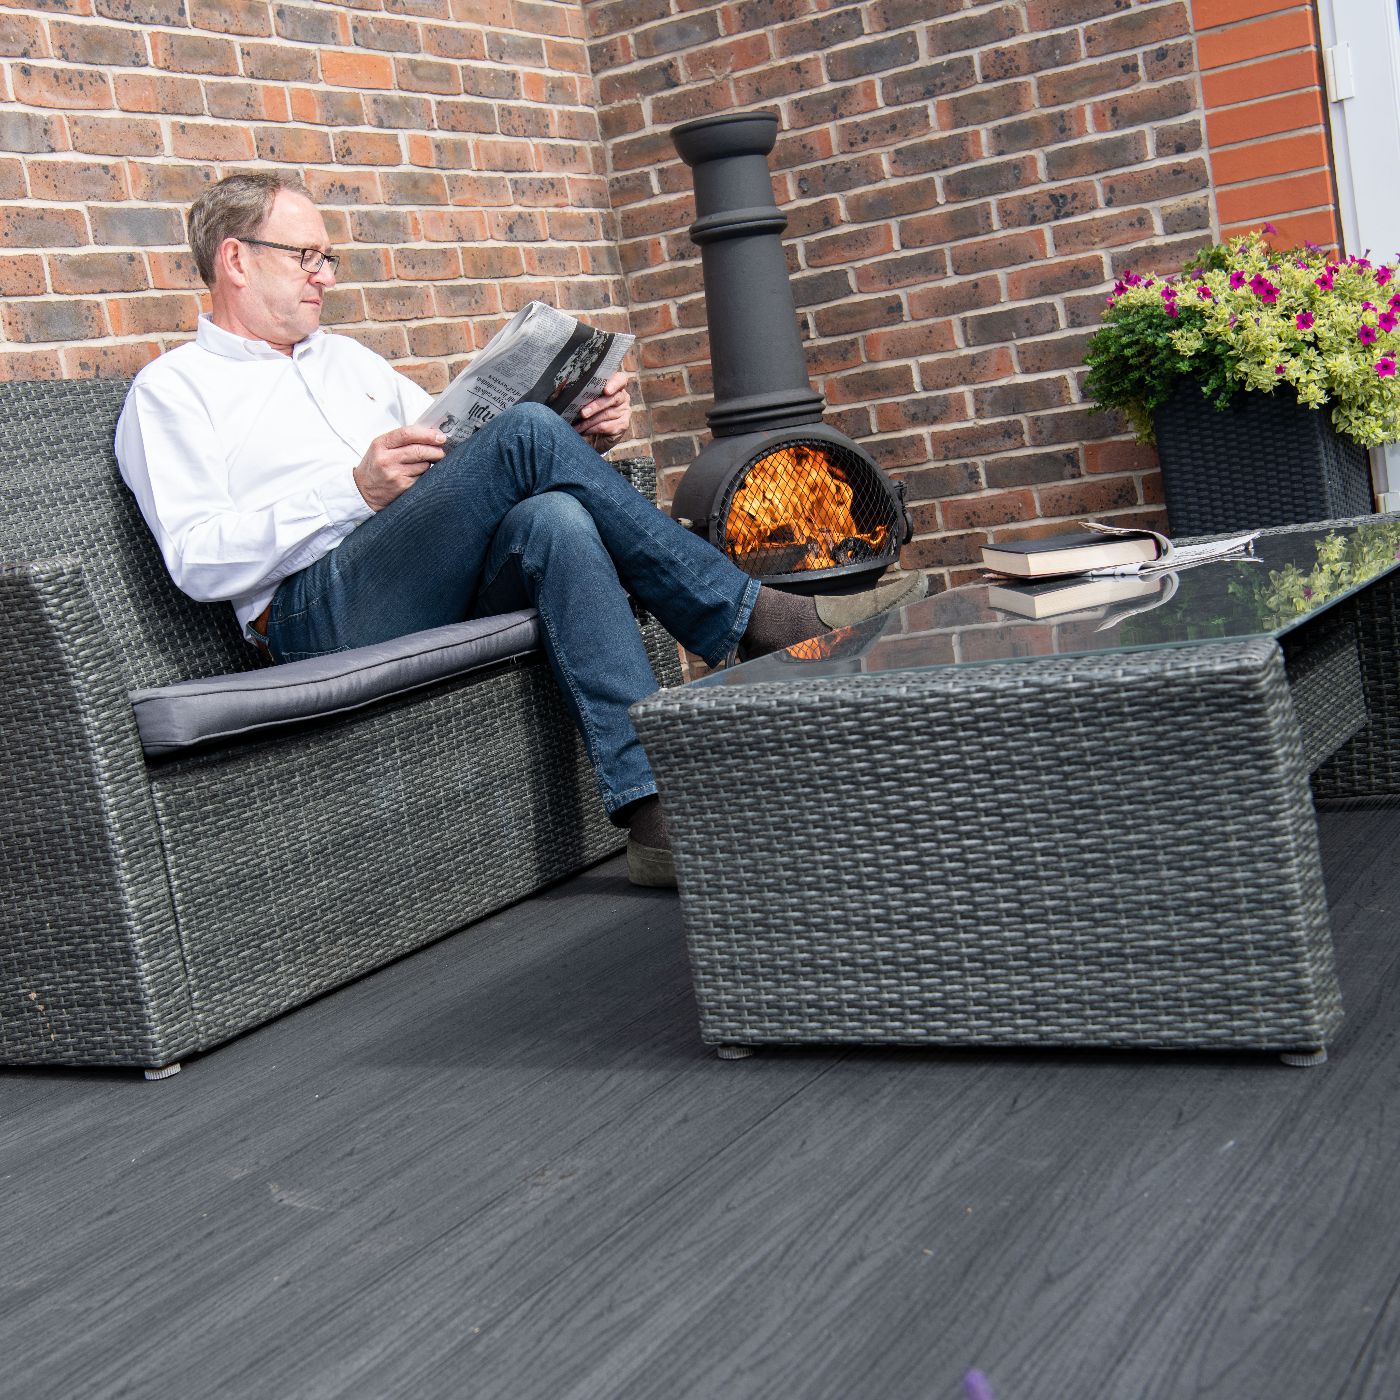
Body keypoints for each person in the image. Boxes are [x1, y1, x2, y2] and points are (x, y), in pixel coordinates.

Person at [115, 171, 926, 888]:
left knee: (554, 516)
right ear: (235, 259)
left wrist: (582, 434)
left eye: (328, 258)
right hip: (310, 614)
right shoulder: (174, 391)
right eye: (306, 257)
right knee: (527, 437)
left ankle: (654, 817)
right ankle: (753, 616)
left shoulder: (348, 361)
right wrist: (351, 492)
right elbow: (195, 560)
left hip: (418, 583)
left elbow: (465, 463)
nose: (325, 276)